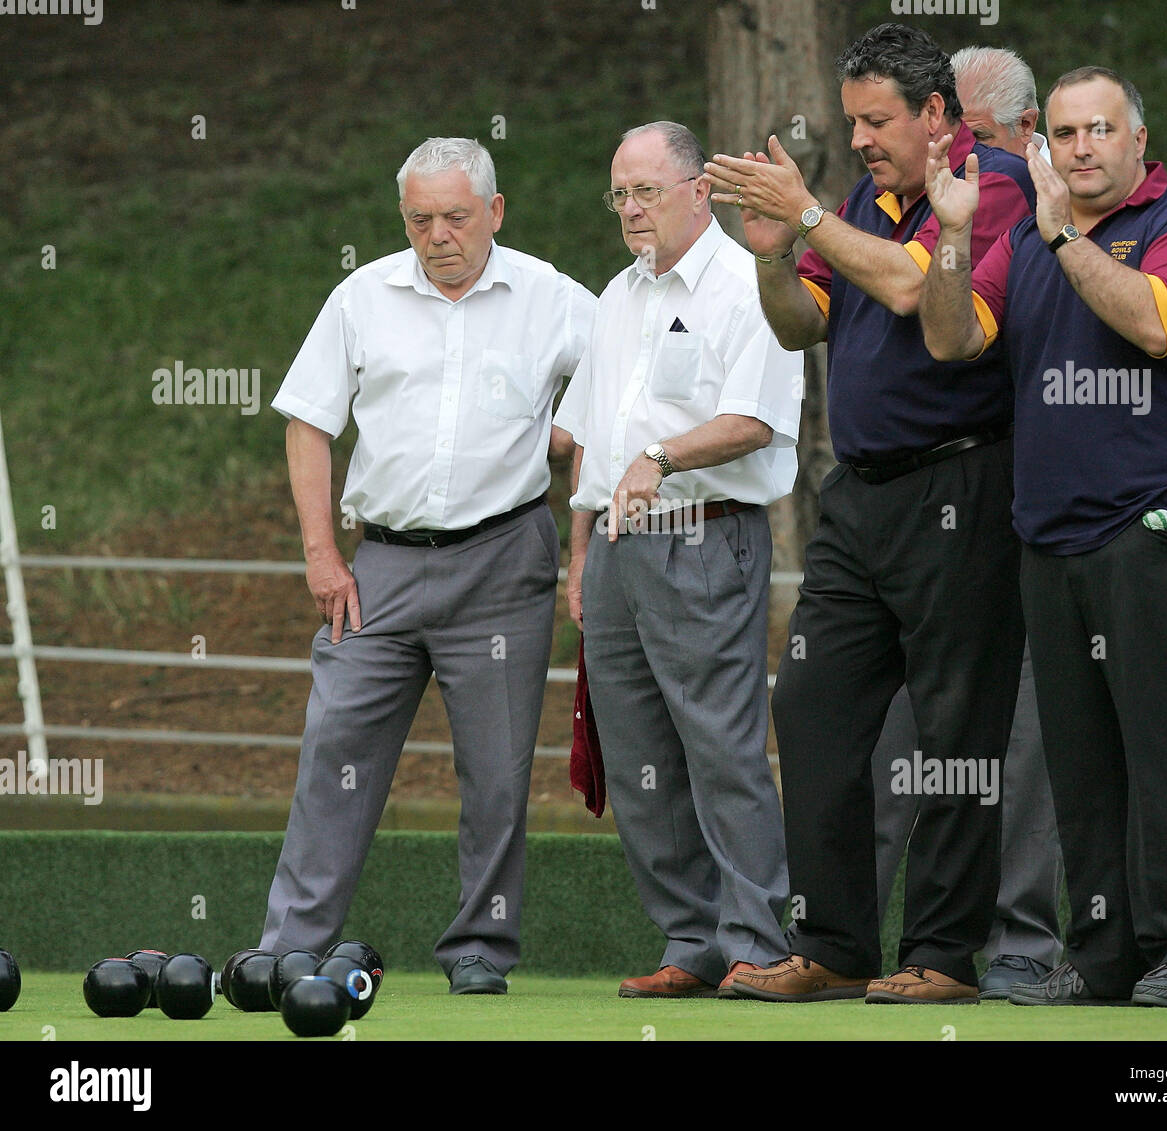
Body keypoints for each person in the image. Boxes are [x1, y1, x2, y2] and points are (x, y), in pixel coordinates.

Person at [703, 23, 1035, 1004]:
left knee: (955, 732)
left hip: (961, 488)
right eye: (850, 121)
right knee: (809, 710)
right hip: (857, 498)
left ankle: (940, 955)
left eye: (876, 119)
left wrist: (802, 213)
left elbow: (904, 289)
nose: (858, 137)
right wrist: (771, 254)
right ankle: (836, 944)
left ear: (936, 116)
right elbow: (800, 319)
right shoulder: (859, 200)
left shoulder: (995, 186)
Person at [919, 67, 1167, 1006]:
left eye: (1102, 129)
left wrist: (1063, 232)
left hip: (1162, 525)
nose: (1084, 147)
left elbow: (1154, 322)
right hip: (1051, 537)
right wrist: (948, 234)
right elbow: (949, 339)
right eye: (1066, 134)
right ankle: (1104, 954)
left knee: (1159, 746)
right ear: (1044, 146)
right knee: (1080, 759)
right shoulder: (1019, 237)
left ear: (1139, 141)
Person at [258, 137, 596, 995]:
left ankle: (480, 949)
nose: (437, 234)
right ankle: (290, 945)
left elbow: (616, 396)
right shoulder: (362, 295)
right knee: (335, 746)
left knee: (497, 769)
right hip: (380, 566)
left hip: (505, 560)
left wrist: (568, 445)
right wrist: (321, 555)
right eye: (419, 218)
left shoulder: (553, 296)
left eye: (454, 215)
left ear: (495, 211)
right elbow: (306, 421)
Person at [554, 121, 802, 999]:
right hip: (619, 550)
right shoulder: (617, 294)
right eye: (619, 193)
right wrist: (579, 554)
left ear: (701, 191)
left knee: (720, 746)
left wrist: (660, 459)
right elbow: (592, 437)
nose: (629, 209)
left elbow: (755, 420)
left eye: (646, 191)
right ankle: (690, 939)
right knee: (636, 752)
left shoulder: (751, 284)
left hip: (708, 532)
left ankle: (757, 941)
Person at [869, 44, 1064, 1001]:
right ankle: (895, 942)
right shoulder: (960, 216)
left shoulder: (1040, 217)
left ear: (1028, 138)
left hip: (1055, 512)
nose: (958, 156)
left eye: (976, 139)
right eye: (949, 136)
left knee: (1023, 737)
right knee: (914, 733)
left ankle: (1023, 942)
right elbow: (943, 330)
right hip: (961, 507)